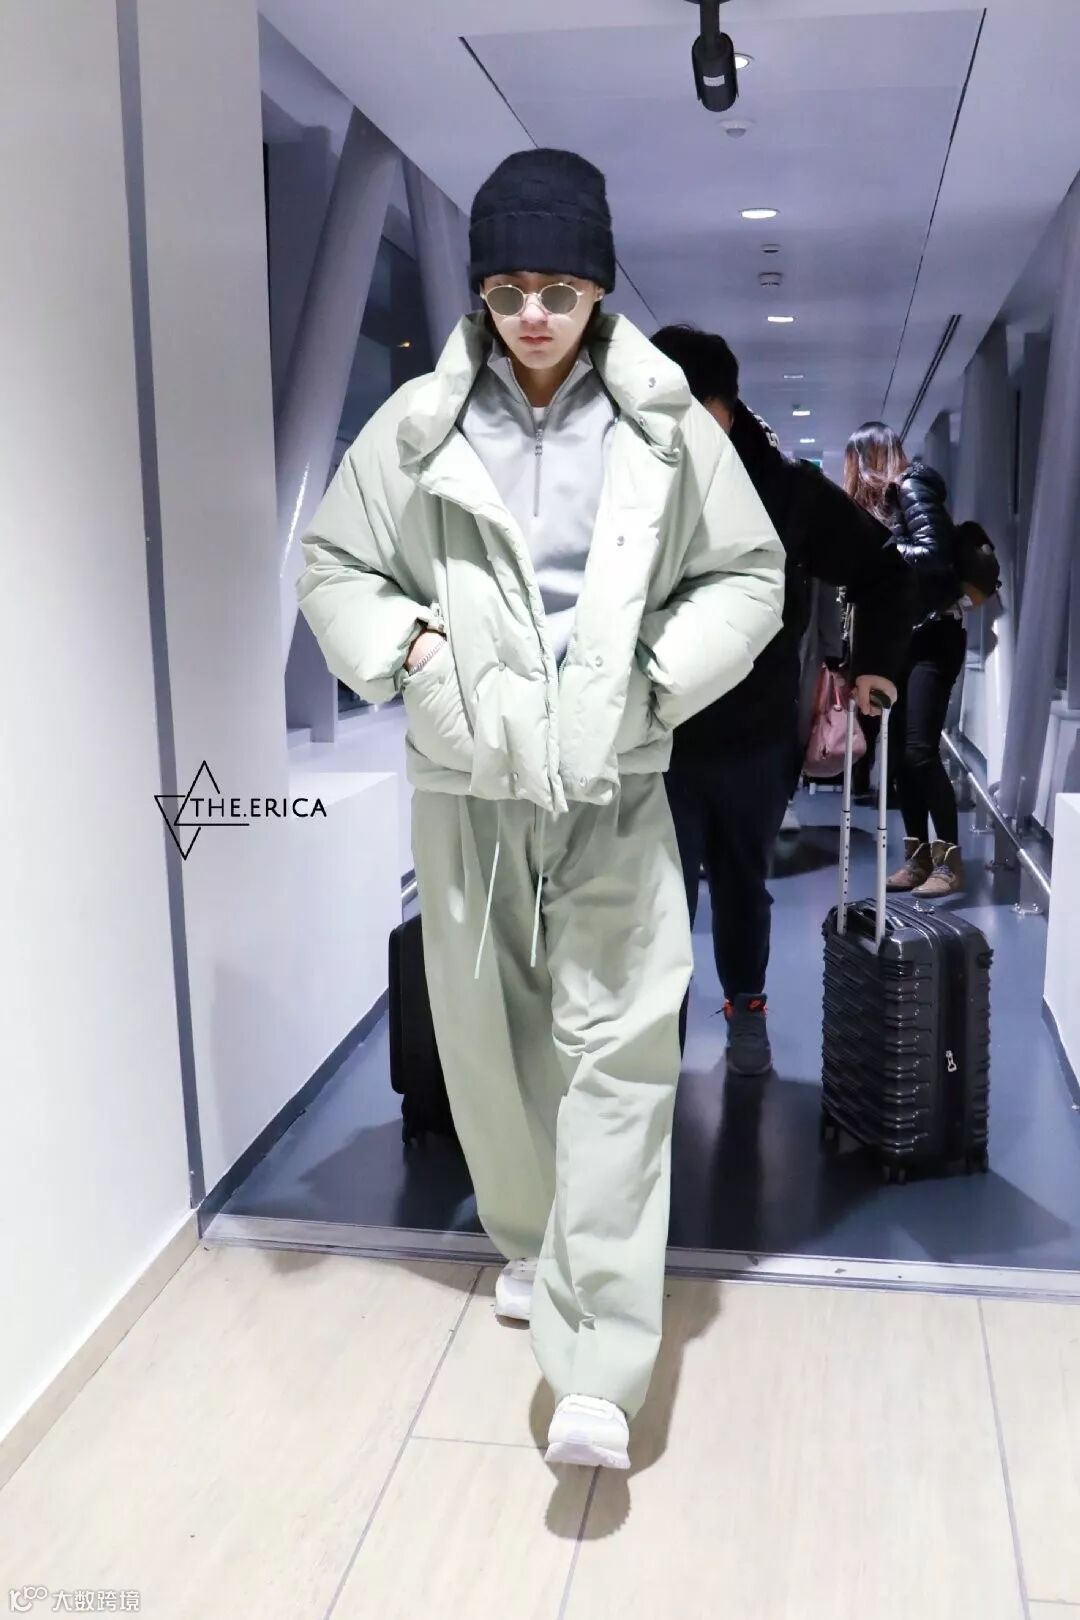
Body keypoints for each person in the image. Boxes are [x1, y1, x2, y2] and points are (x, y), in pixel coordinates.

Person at [296, 151, 785, 1471]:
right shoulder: (416, 428)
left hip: (615, 785)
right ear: (480, 290)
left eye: (558, 290)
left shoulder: (667, 425)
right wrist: (412, 656)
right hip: (467, 789)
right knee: (492, 1055)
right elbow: (333, 565)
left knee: (620, 1056)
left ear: (599, 289)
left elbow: (750, 577)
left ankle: (599, 1369)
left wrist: (655, 681)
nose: (531, 315)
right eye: (509, 288)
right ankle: (534, 1242)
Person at [650, 326, 913, 1073]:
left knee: (742, 884)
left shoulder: (786, 489)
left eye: (688, 410)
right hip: (658, 735)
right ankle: (655, 1044)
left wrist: (874, 667)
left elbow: (884, 569)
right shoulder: (637, 482)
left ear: (724, 408)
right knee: (657, 897)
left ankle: (746, 1008)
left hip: (755, 735)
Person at [843, 423, 977, 899]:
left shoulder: (912, 486)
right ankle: (918, 860)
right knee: (899, 757)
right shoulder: (888, 502)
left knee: (919, 751)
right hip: (907, 637)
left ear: (868, 459)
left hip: (933, 635)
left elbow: (933, 553)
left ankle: (949, 863)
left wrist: (881, 558)